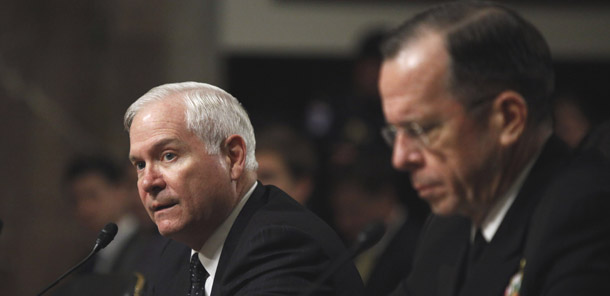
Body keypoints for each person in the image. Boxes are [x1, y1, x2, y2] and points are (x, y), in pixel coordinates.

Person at [378, 1, 610, 296]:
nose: (400, 158)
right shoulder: (448, 224)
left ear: (508, 118)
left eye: (421, 130)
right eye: (395, 132)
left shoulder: (586, 211)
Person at [124, 82, 364, 295]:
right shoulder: (174, 255)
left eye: (168, 156)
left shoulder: (281, 244)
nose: (148, 182)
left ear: (233, 157)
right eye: (140, 164)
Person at [329, 154, 423, 296]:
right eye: (338, 212)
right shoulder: (347, 248)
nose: (345, 223)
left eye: (355, 211)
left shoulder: (416, 250)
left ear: (385, 198)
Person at [63, 154, 161, 275]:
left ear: (120, 190)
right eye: (75, 200)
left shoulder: (152, 245)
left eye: (92, 196)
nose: (84, 208)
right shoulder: (86, 262)